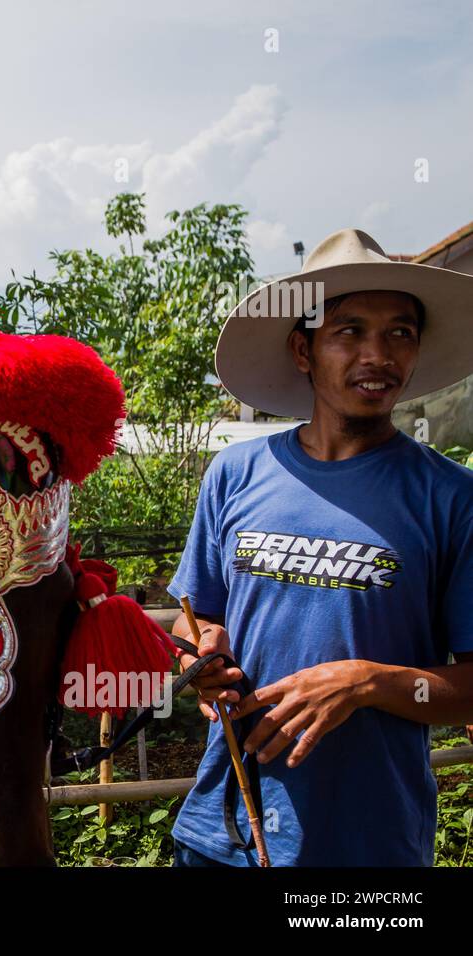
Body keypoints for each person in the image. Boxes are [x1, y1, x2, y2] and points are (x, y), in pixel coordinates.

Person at [170, 228, 473, 866]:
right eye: (350, 331)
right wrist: (201, 662)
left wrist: (366, 682)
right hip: (220, 834)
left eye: (400, 333)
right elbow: (197, 621)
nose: (378, 354)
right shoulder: (235, 473)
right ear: (303, 351)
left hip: (367, 846)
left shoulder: (452, 499)